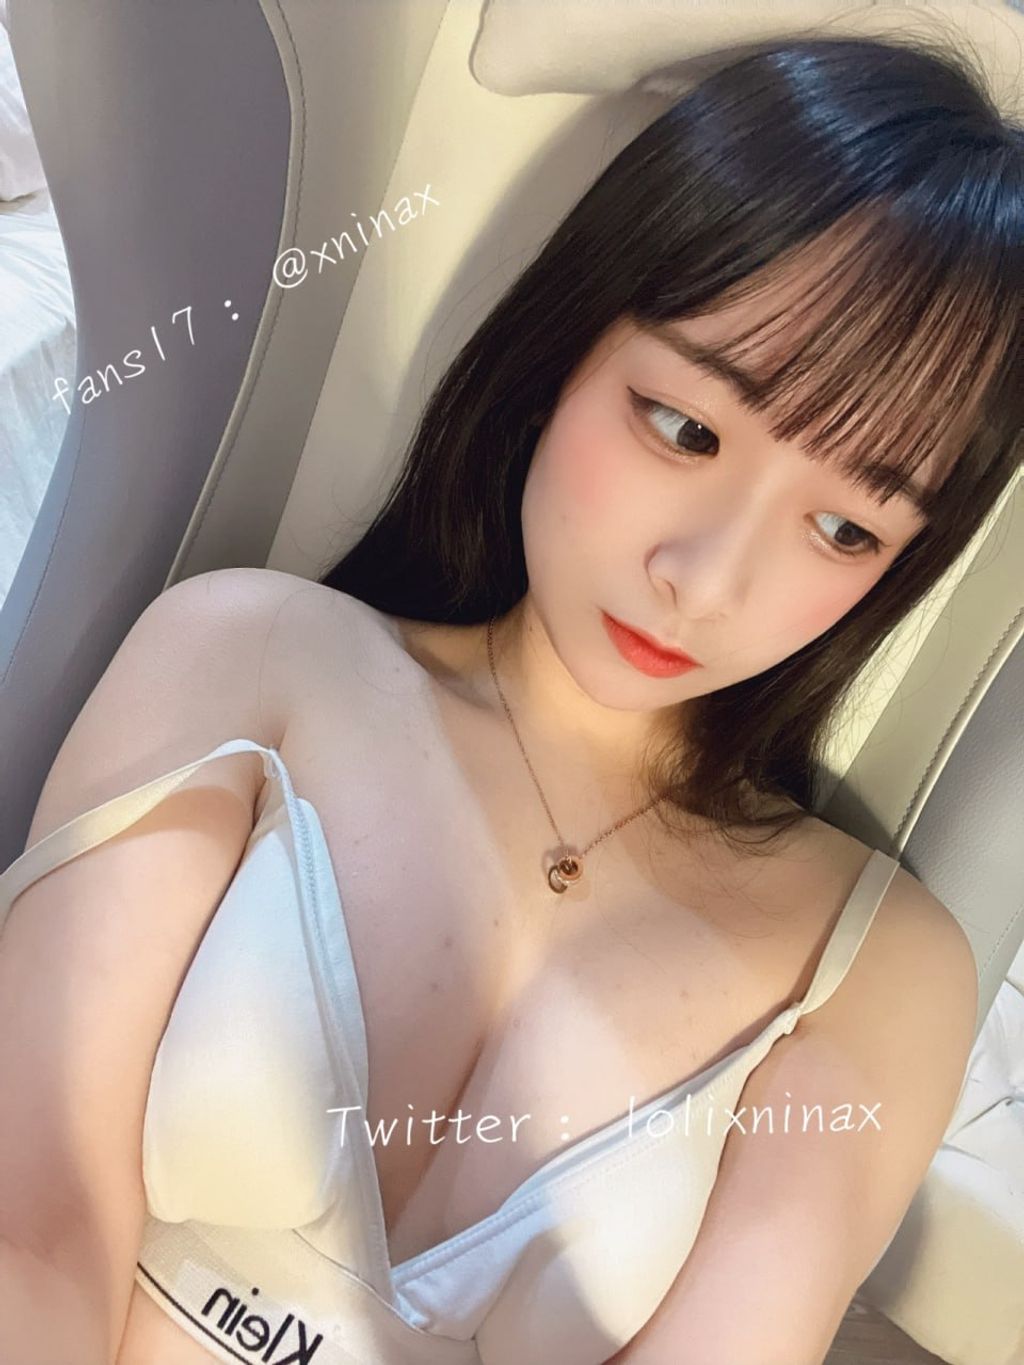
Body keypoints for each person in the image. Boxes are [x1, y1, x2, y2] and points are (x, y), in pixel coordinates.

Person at [1, 32, 1021, 1365]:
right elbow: (38, 1226)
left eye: (844, 528)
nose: (704, 582)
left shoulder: (873, 966)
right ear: (565, 350)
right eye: (686, 428)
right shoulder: (252, 657)